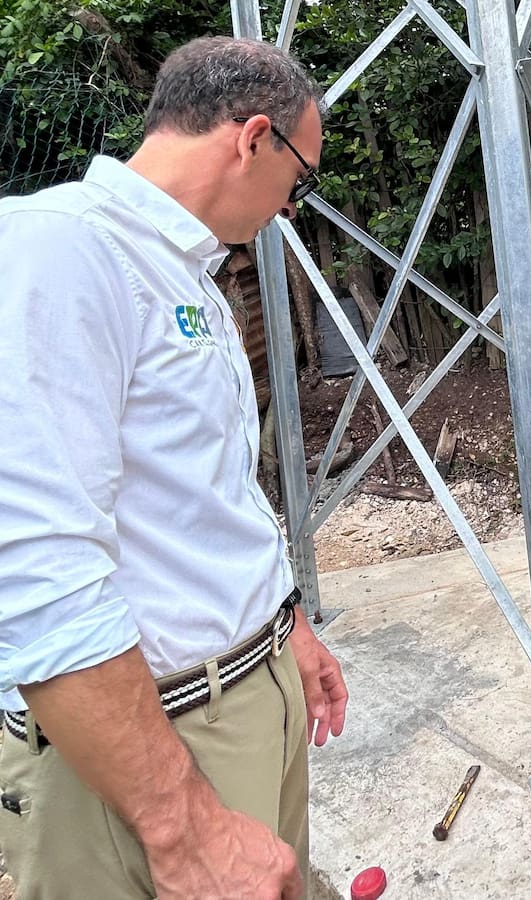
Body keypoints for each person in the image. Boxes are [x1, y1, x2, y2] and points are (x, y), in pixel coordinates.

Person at [0, 36, 347, 899]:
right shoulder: (58, 253)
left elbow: (204, 493)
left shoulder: (180, 272)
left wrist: (282, 625)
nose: (292, 208)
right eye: (299, 180)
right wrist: (181, 826)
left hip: (236, 696)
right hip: (157, 741)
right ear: (253, 137)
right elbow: (35, 567)